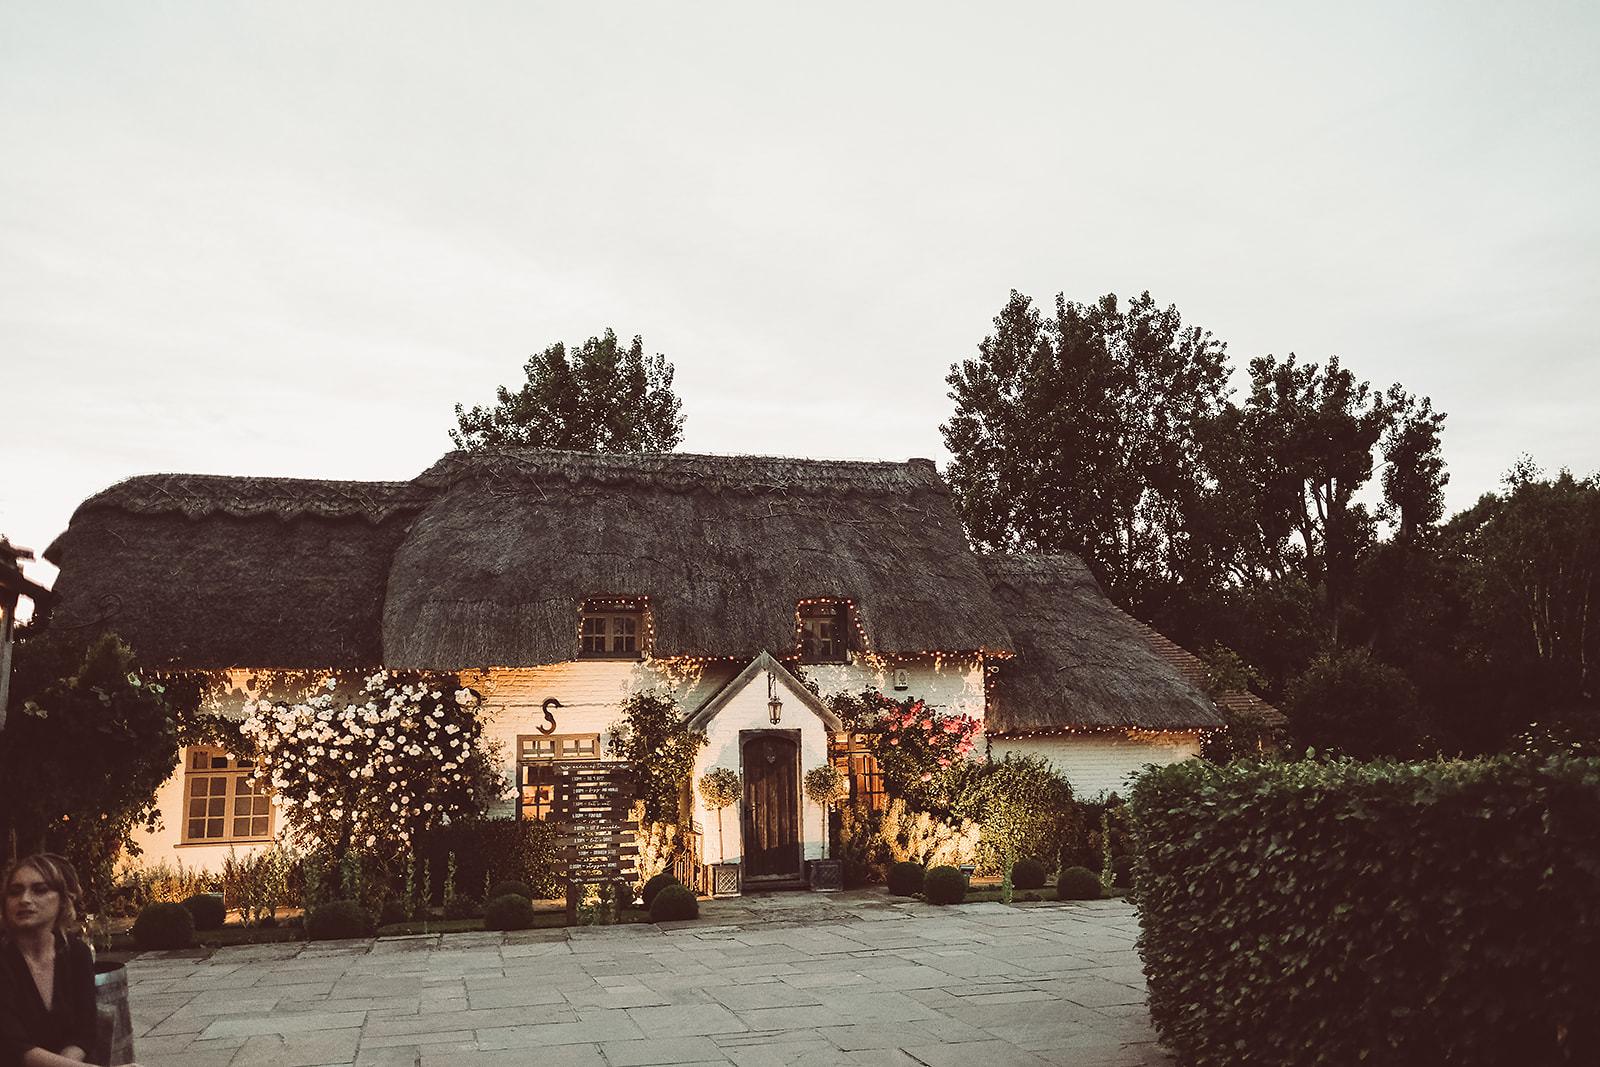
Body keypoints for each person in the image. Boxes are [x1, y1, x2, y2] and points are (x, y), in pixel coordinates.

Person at [0, 854, 100, 1067]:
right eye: (15, 892)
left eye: (39, 889)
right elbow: (15, 1047)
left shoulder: (76, 953)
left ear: (62, 900)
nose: (25, 899)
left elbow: (84, 1032)